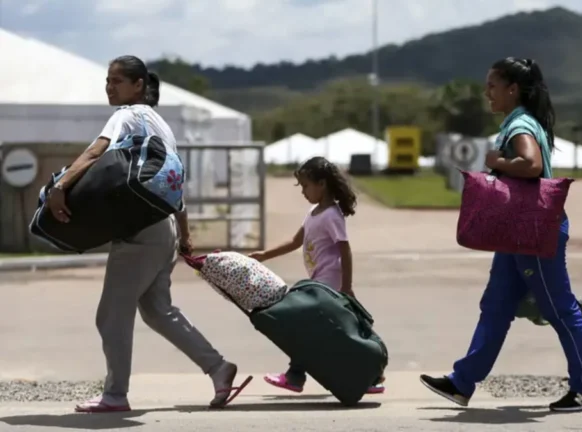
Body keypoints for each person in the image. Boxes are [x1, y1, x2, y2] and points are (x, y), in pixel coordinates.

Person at [46, 55, 248, 413]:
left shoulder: (127, 115)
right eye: (107, 81)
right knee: (157, 311)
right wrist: (183, 234)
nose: (110, 88)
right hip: (162, 228)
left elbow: (96, 152)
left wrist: (60, 186)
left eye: (117, 81)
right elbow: (173, 183)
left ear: (138, 85)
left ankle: (115, 395)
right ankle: (218, 368)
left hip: (139, 232)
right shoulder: (161, 125)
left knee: (111, 315)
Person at [419, 57, 582, 413]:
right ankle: (462, 382)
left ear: (512, 89)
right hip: (515, 233)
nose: (487, 92)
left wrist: (497, 162)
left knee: (560, 309)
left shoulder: (519, 125)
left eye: (492, 85)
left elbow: (531, 165)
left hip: (533, 232)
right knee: (496, 306)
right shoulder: (519, 122)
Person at [249, 156, 385, 394]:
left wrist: (347, 286)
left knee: (307, 329)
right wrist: (264, 255)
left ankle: (295, 376)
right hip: (318, 284)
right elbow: (295, 241)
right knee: (332, 334)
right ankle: (370, 378)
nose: (303, 191)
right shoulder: (313, 212)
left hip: (329, 286)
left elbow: (345, 249)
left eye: (305, 186)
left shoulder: (332, 215)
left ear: (321, 184)